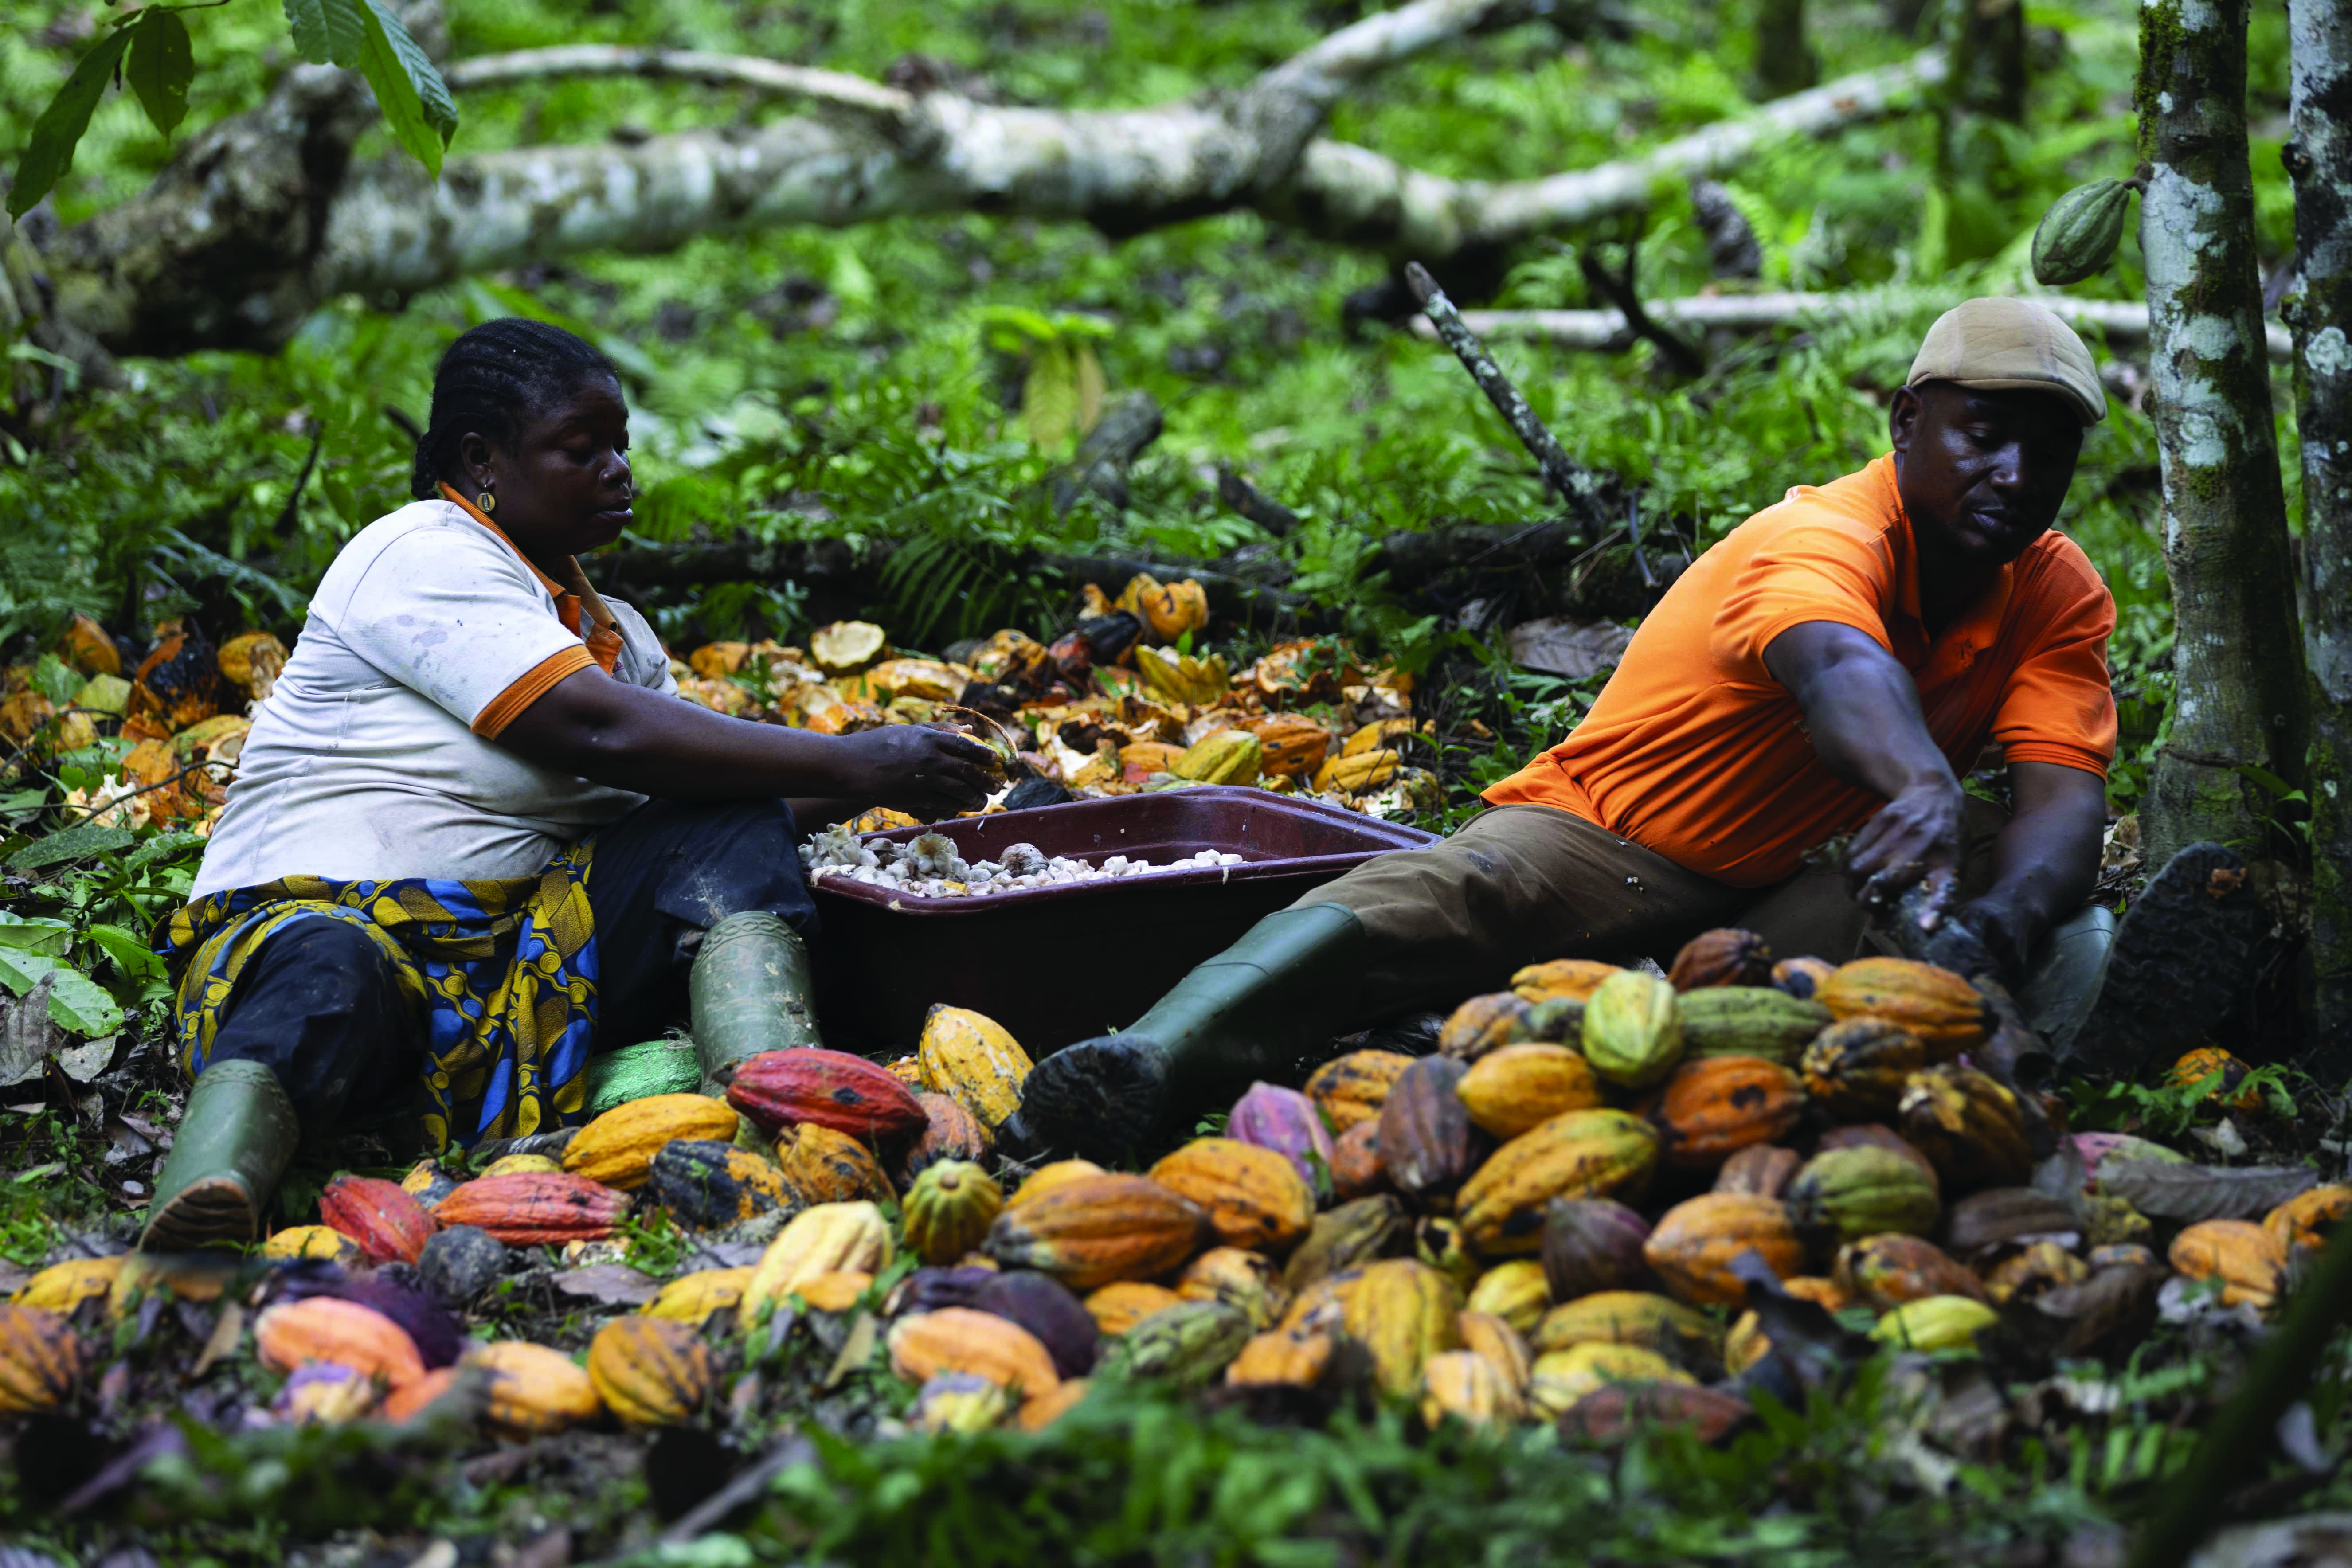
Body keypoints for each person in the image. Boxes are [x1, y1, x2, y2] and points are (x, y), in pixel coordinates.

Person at [1014, 297, 2128, 1161]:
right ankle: (1147, 1061)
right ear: (1908, 423)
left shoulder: (2054, 588)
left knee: (2032, 883)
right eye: (1985, 436)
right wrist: (1922, 786)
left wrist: (2001, 926)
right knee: (1447, 893)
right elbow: (1841, 666)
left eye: (2049, 454)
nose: (2015, 476)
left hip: (1786, 886)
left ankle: (1972, 1087)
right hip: (1609, 840)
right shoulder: (1824, 536)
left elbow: (2064, 797)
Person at [141, 318, 1000, 1251]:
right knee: (330, 969)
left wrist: (897, 775)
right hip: (334, 939)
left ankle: (773, 1122)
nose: (619, 472)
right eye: (581, 450)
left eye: (621, 447)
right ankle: (210, 1190)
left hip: (522, 975)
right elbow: (596, 730)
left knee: (728, 826)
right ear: (483, 459)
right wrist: (854, 759)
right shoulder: (419, 553)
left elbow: (707, 800)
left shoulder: (609, 632)